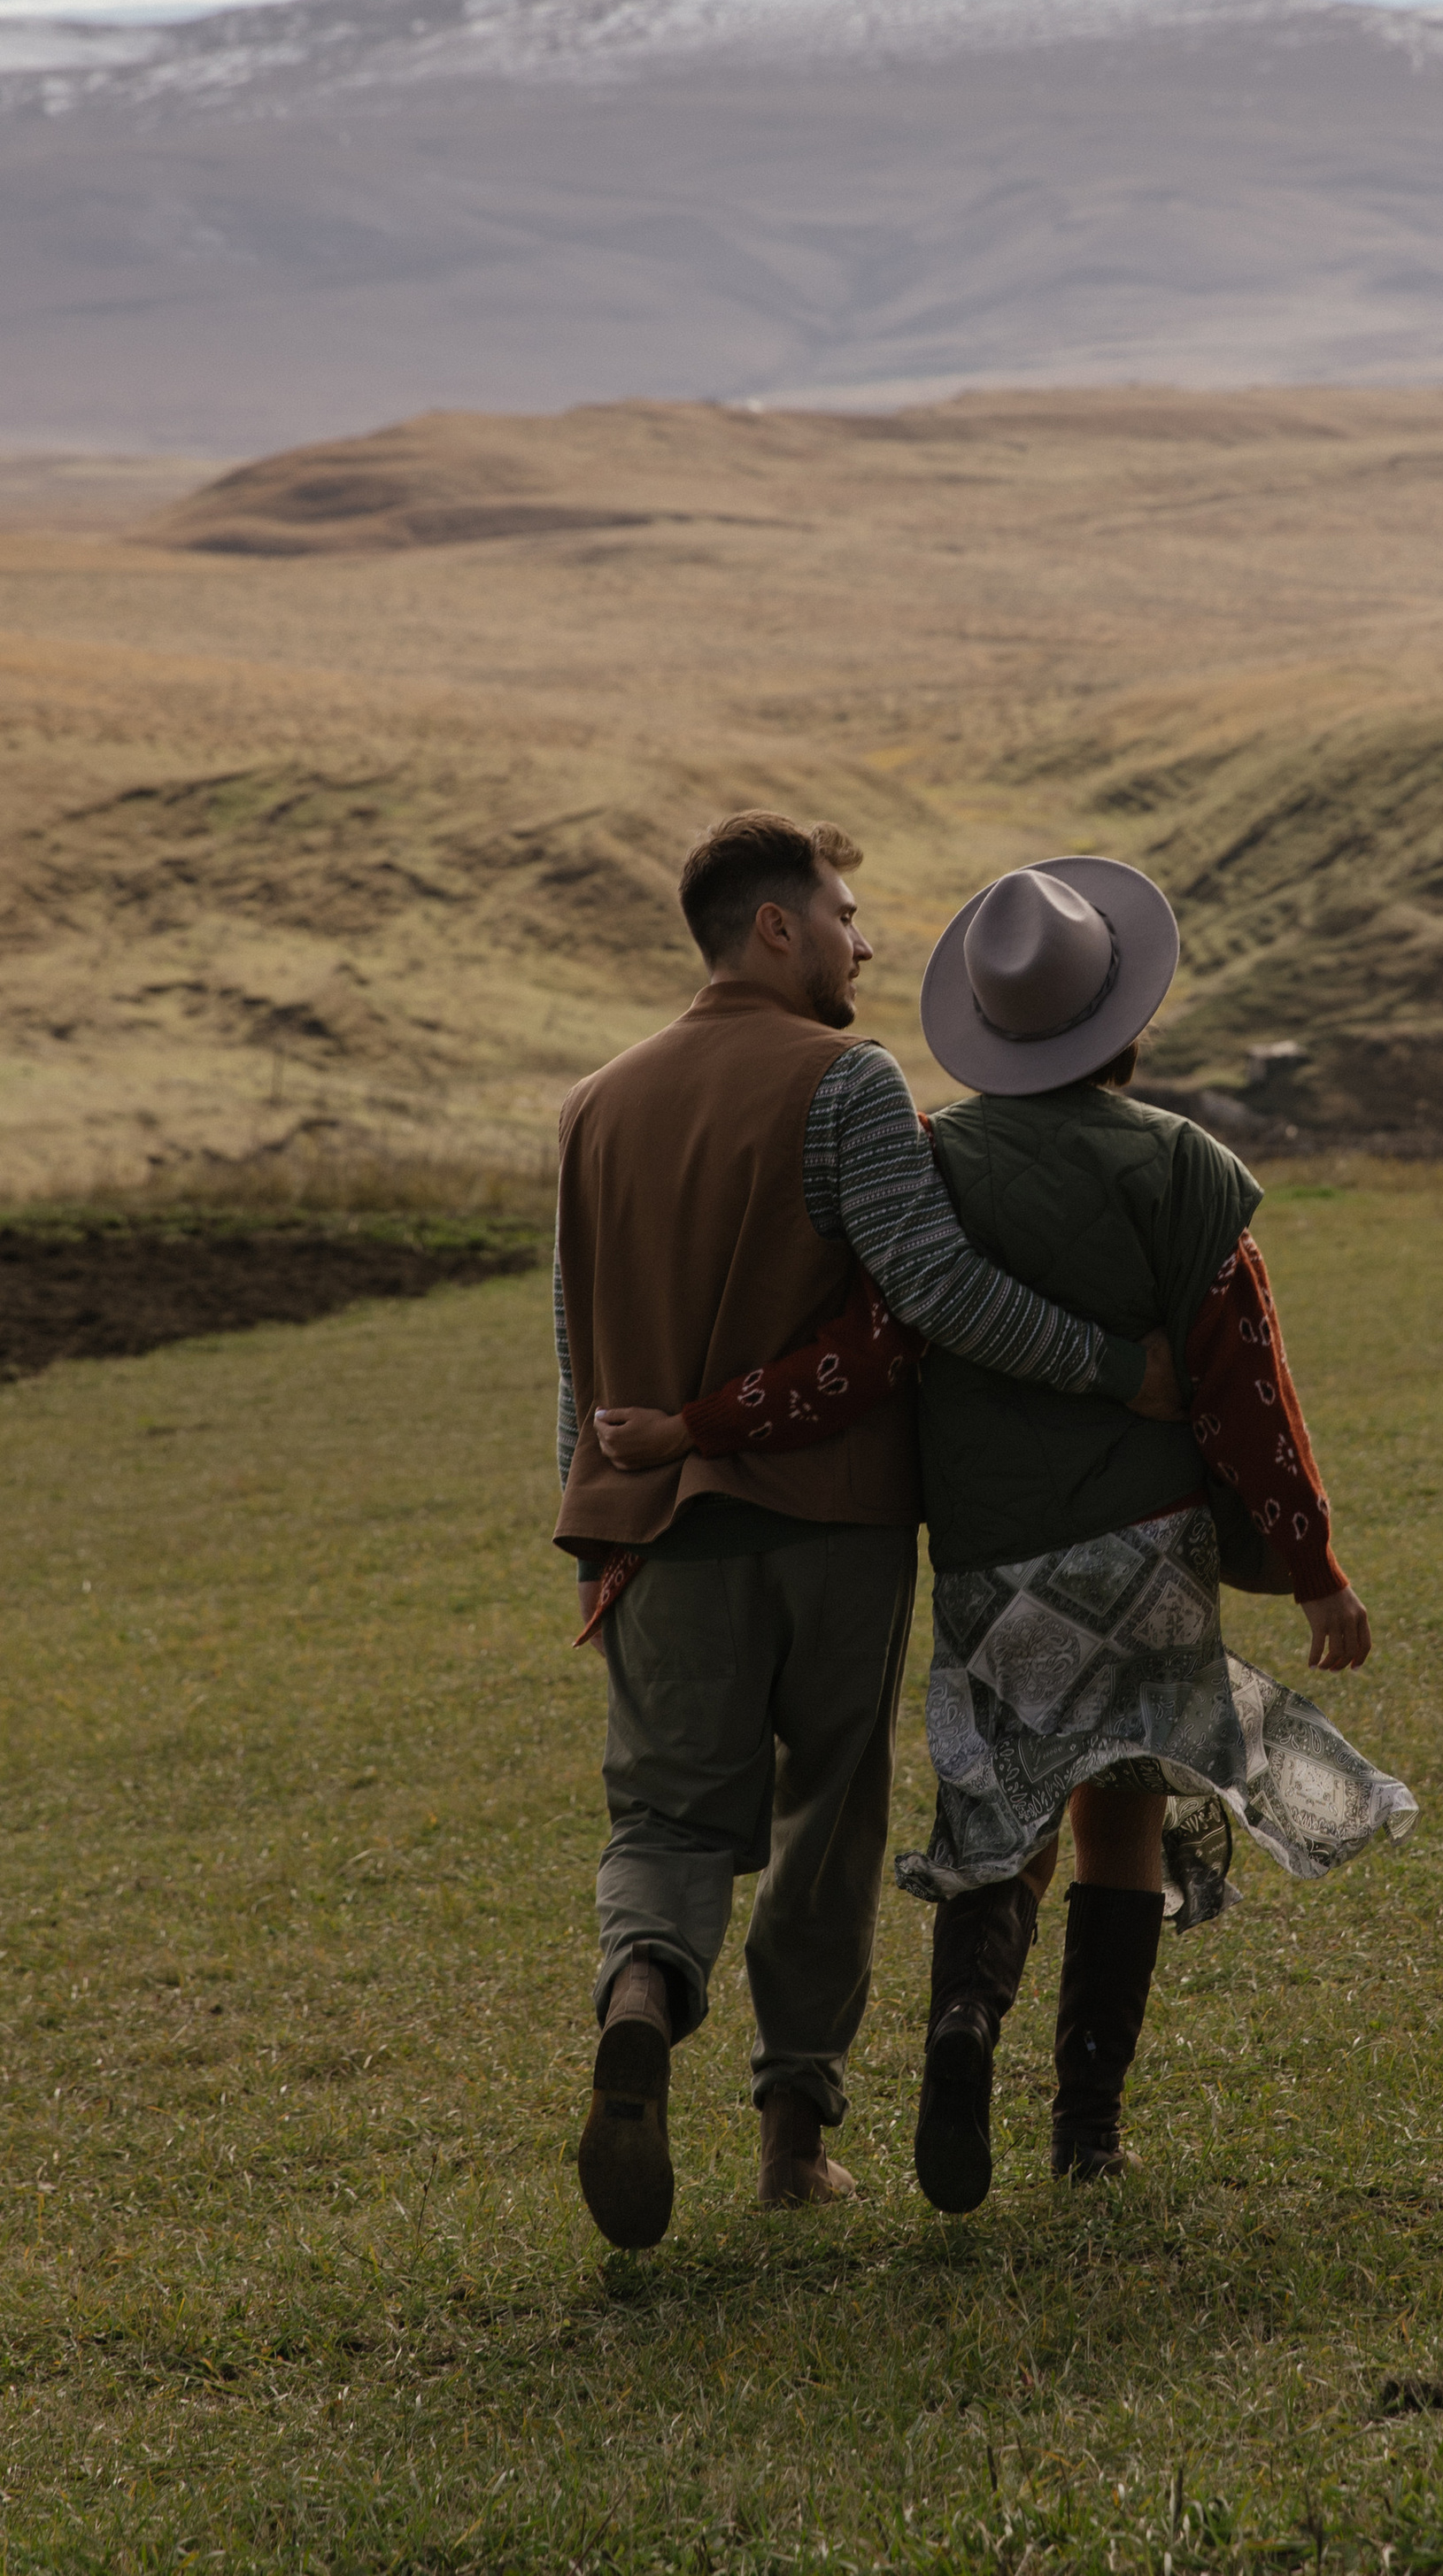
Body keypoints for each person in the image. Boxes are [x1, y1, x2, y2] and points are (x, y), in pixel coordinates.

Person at [550, 810, 1180, 2253]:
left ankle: (643, 1992)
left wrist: (593, 1531)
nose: (865, 938)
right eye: (844, 911)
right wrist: (1110, 1366)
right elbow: (937, 1294)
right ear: (777, 927)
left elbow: (577, 1357)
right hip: (830, 1523)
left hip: (651, 1529)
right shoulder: (846, 1081)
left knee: (664, 1818)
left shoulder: (591, 1104)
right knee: (827, 1814)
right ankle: (791, 2140)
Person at [896, 854, 1416, 2213]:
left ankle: (961, 2034)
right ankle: (1085, 2128)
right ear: (1127, 1019)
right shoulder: (1186, 1167)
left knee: (1002, 1818)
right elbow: (1250, 1392)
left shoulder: (931, 1168)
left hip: (988, 1561)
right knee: (1119, 1831)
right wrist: (1317, 1570)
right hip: (1148, 1554)